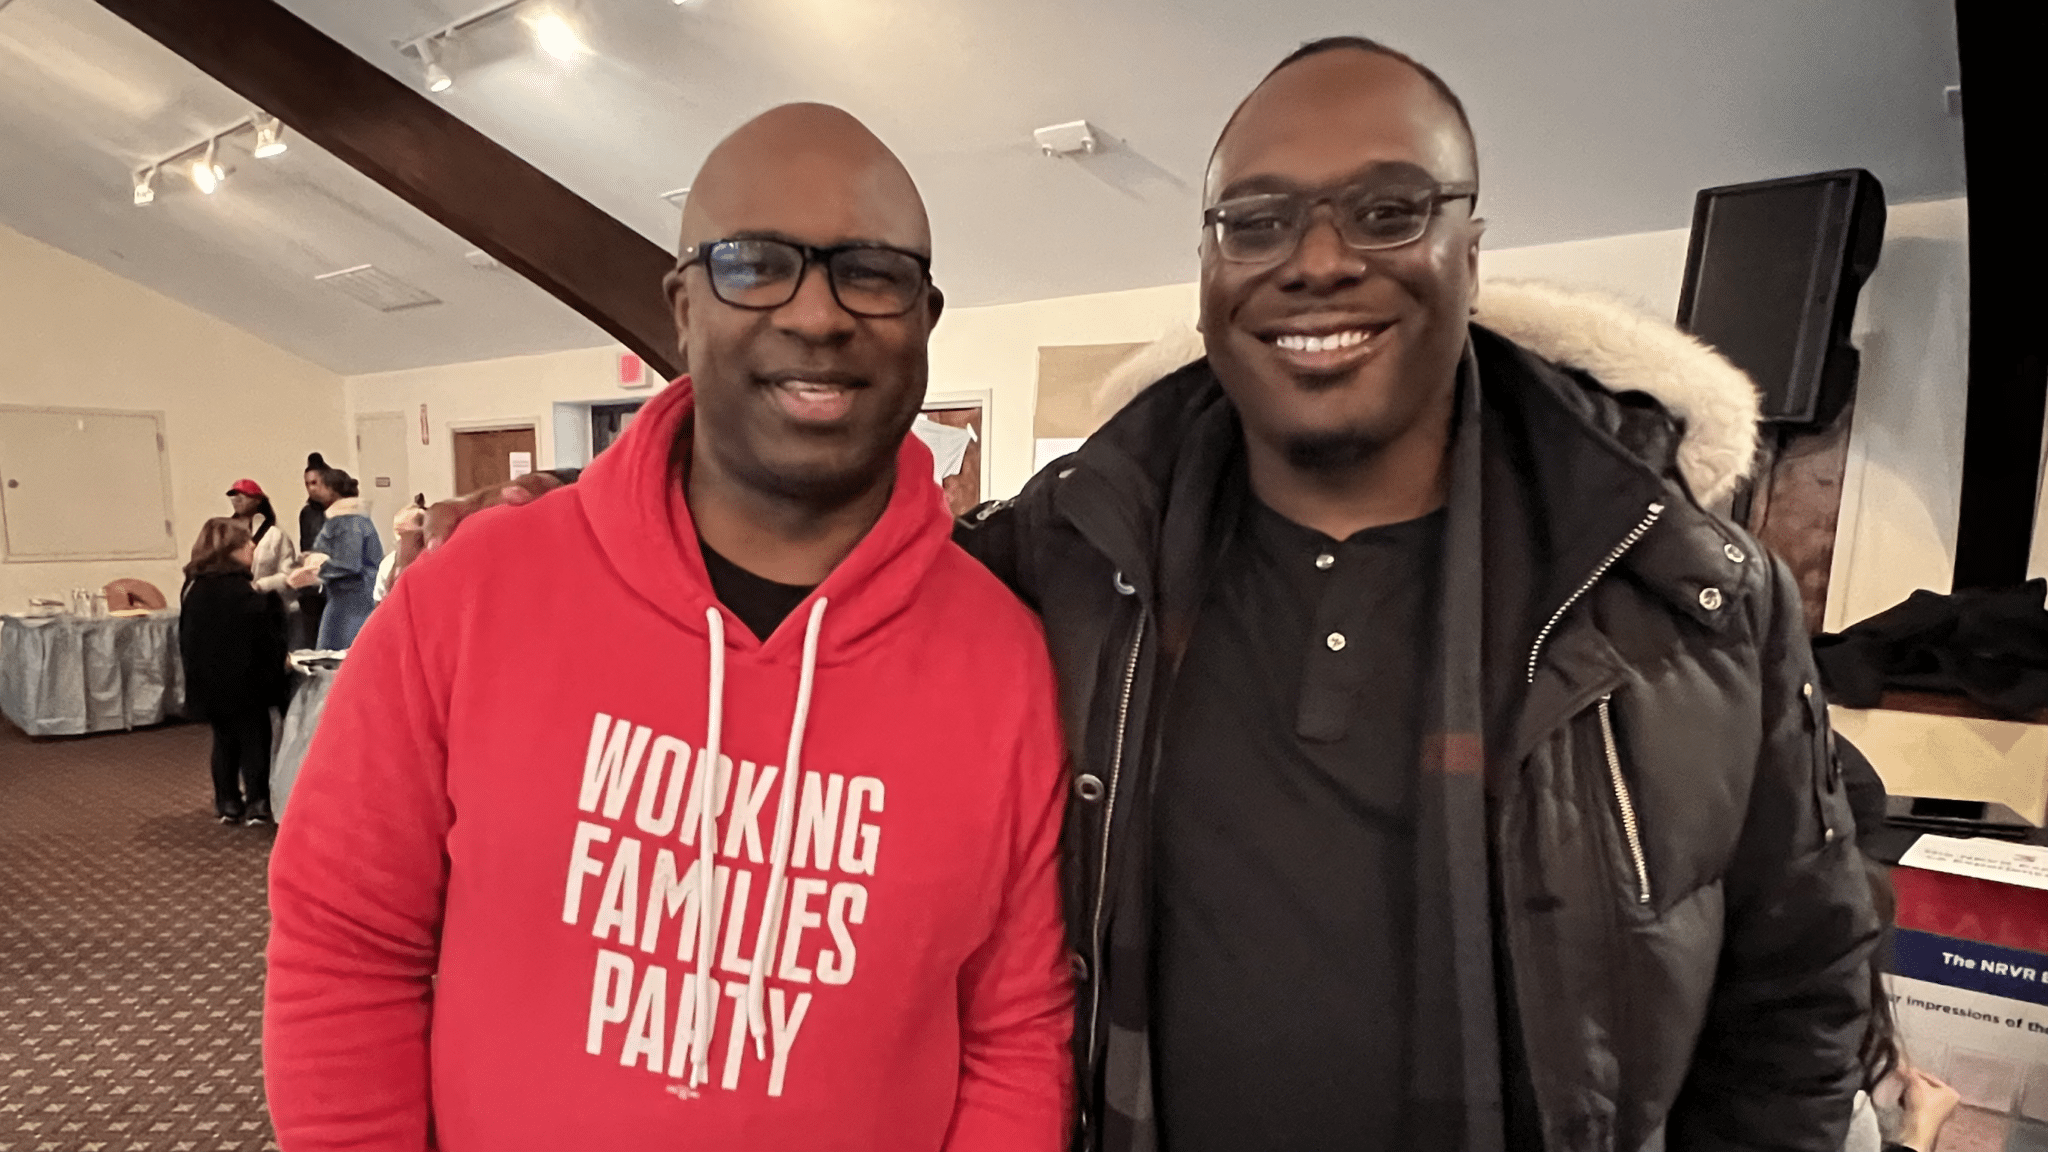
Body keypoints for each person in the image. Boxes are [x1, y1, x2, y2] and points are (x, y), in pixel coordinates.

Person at [950, 37, 1877, 1152]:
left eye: (1386, 210)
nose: (1318, 260)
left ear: (1468, 254)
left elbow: (1797, 1003)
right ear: (1206, 267)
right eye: (1257, 220)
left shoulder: (1684, 598)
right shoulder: (1069, 554)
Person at [264, 103, 1073, 1151]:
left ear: (924, 314)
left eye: (870, 271)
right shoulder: (471, 598)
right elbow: (346, 951)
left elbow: (1013, 1035)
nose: (818, 315)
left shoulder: (1003, 662)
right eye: (755, 263)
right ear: (681, 307)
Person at [178, 517, 289, 826]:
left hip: (208, 680)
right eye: (246, 543)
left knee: (223, 740)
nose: (253, 547)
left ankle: (227, 800)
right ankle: (257, 801)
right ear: (233, 551)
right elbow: (264, 637)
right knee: (254, 739)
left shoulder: (194, 586)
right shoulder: (242, 590)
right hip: (245, 681)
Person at [289, 469, 383, 650]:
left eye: (319, 485)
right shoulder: (356, 520)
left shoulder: (345, 521)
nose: (312, 489)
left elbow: (348, 563)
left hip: (350, 602)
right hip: (355, 597)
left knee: (338, 659)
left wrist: (313, 572)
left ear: (331, 489)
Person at [226, 478, 300, 598]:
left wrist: (261, 586)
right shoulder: (225, 534)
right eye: (234, 496)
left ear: (257, 500)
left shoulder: (275, 536)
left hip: (266, 604)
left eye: (244, 495)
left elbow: (288, 574)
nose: (237, 500)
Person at [296, 454, 337, 647]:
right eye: (307, 484)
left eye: (315, 482)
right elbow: (306, 544)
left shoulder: (340, 510)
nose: (311, 488)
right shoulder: (307, 513)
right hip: (313, 586)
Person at [373, 501, 427, 603]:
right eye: (420, 522)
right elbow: (379, 601)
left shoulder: (435, 554)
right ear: (400, 534)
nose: (425, 528)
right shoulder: (388, 564)